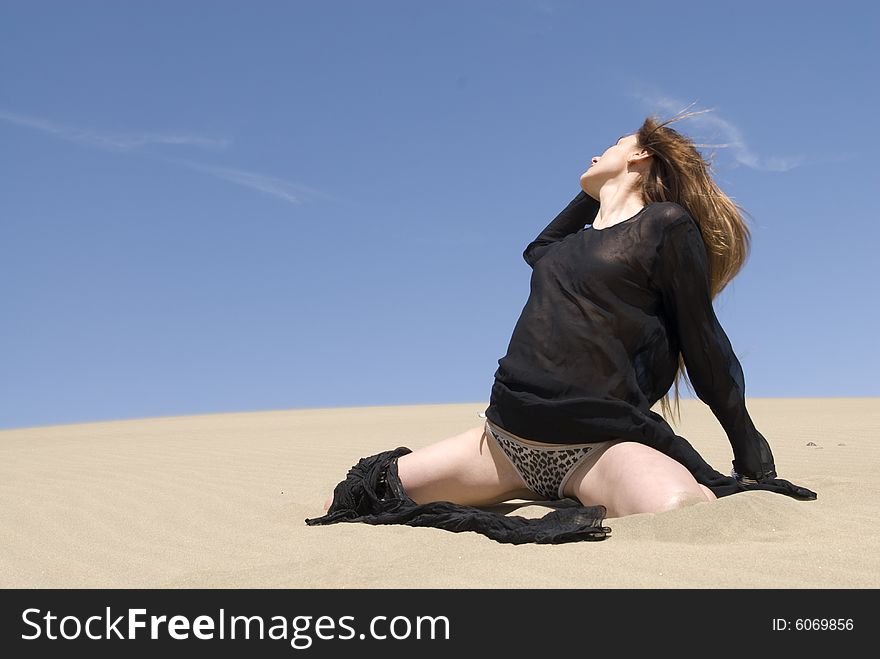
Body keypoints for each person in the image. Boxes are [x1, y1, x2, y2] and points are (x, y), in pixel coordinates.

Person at [306, 109, 816, 545]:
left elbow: (704, 343)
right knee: (348, 500)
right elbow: (536, 249)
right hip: (503, 440)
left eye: (613, 147)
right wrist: (598, 193)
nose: (595, 155)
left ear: (642, 157)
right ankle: (532, 492)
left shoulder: (665, 224)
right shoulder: (562, 249)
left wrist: (746, 443)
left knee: (678, 508)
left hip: (598, 446)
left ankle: (578, 491)